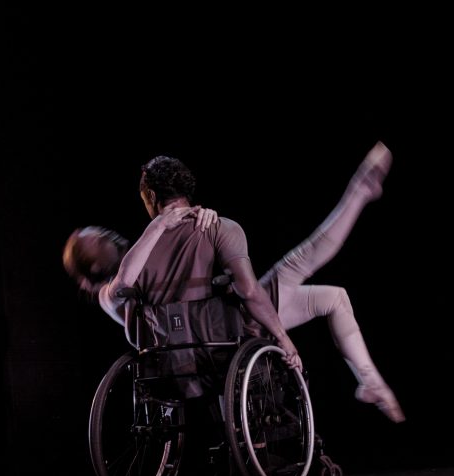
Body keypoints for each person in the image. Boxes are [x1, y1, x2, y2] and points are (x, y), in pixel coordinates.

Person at [64, 142, 404, 422]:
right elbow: (243, 293)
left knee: (326, 289)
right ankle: (358, 194)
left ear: (152, 197)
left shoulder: (141, 264)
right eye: (100, 236)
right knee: (308, 272)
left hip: (203, 346)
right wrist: (283, 338)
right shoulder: (129, 277)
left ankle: (370, 382)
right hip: (229, 335)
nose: (108, 232)